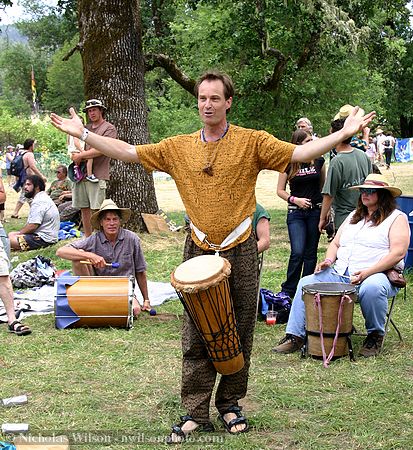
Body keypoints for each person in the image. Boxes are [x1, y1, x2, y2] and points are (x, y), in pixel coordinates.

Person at [50, 70, 375, 440]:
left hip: (241, 249)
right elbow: (127, 152)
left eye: (215, 98)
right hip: (197, 250)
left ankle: (231, 403)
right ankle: (195, 411)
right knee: (195, 332)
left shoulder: (252, 142)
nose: (207, 104)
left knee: (240, 328)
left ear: (228, 102)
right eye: (202, 98)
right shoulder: (178, 147)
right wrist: (84, 134)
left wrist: (343, 134)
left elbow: (300, 152)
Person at [273, 174, 409, 357]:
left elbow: (398, 253)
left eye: (370, 191)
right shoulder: (354, 215)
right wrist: (328, 261)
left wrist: (368, 272)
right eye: (362, 191)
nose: (364, 194)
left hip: (377, 274)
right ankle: (295, 336)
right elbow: (336, 244)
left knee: (372, 287)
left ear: (382, 195)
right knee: (306, 283)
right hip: (341, 273)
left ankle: (375, 336)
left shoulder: (396, 218)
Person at [56, 199, 151, 317]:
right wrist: (90, 255)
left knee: (135, 311)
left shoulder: (132, 239)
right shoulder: (94, 239)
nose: (112, 223)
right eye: (107, 219)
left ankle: (100, 307)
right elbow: (60, 252)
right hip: (98, 287)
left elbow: (140, 271)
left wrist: (146, 299)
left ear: (120, 221)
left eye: (115, 219)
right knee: (78, 255)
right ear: (101, 223)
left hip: (123, 289)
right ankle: (88, 297)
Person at [276, 129, 326, 301]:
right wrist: (295, 200)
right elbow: (279, 191)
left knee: (310, 253)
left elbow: (322, 188)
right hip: (296, 212)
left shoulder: (319, 161)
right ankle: (289, 290)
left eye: (312, 140)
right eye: (307, 141)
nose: (312, 143)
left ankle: (307, 288)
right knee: (297, 252)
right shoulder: (288, 162)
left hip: (315, 211)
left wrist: (325, 212)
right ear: (297, 144)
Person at [70, 99, 117, 237]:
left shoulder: (109, 128)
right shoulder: (86, 128)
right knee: (84, 208)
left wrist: (81, 155)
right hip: (81, 174)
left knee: (98, 209)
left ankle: (100, 239)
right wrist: (76, 155)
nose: (92, 113)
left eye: (94, 109)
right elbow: (76, 142)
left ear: (101, 110)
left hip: (98, 175)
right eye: (89, 111)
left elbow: (104, 149)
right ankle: (88, 238)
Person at [319, 117, 372, 234]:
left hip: (344, 219)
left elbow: (329, 194)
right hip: (365, 215)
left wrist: (322, 218)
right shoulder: (363, 155)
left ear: (337, 136)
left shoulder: (337, 161)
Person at [8, 175, 60, 251]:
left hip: (44, 240)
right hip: (47, 237)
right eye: (25, 184)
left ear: (37, 187)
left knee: (8, 240)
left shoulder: (39, 202)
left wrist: (19, 233)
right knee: (10, 235)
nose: (25, 187)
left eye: (28, 185)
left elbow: (33, 226)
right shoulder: (42, 197)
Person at [11, 139, 47, 220]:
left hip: (24, 177)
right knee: (29, 194)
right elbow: (32, 166)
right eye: (34, 144)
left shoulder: (23, 153)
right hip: (29, 178)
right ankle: (17, 212)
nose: (35, 146)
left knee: (27, 195)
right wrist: (41, 176)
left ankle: (17, 212)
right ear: (31, 145)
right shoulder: (30, 154)